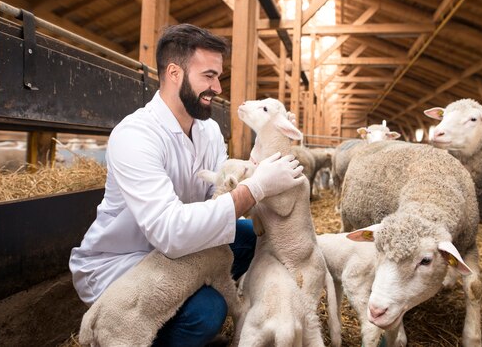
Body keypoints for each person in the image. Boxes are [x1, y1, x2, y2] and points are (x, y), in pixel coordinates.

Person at [69, 24, 305, 346]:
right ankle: (148, 329)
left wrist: (252, 174)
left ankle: (193, 300)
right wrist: (256, 189)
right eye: (209, 76)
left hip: (184, 253)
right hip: (127, 261)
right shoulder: (135, 135)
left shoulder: (207, 131)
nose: (218, 88)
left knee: (251, 239)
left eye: (218, 77)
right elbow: (169, 232)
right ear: (174, 73)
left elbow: (218, 196)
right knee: (208, 312)